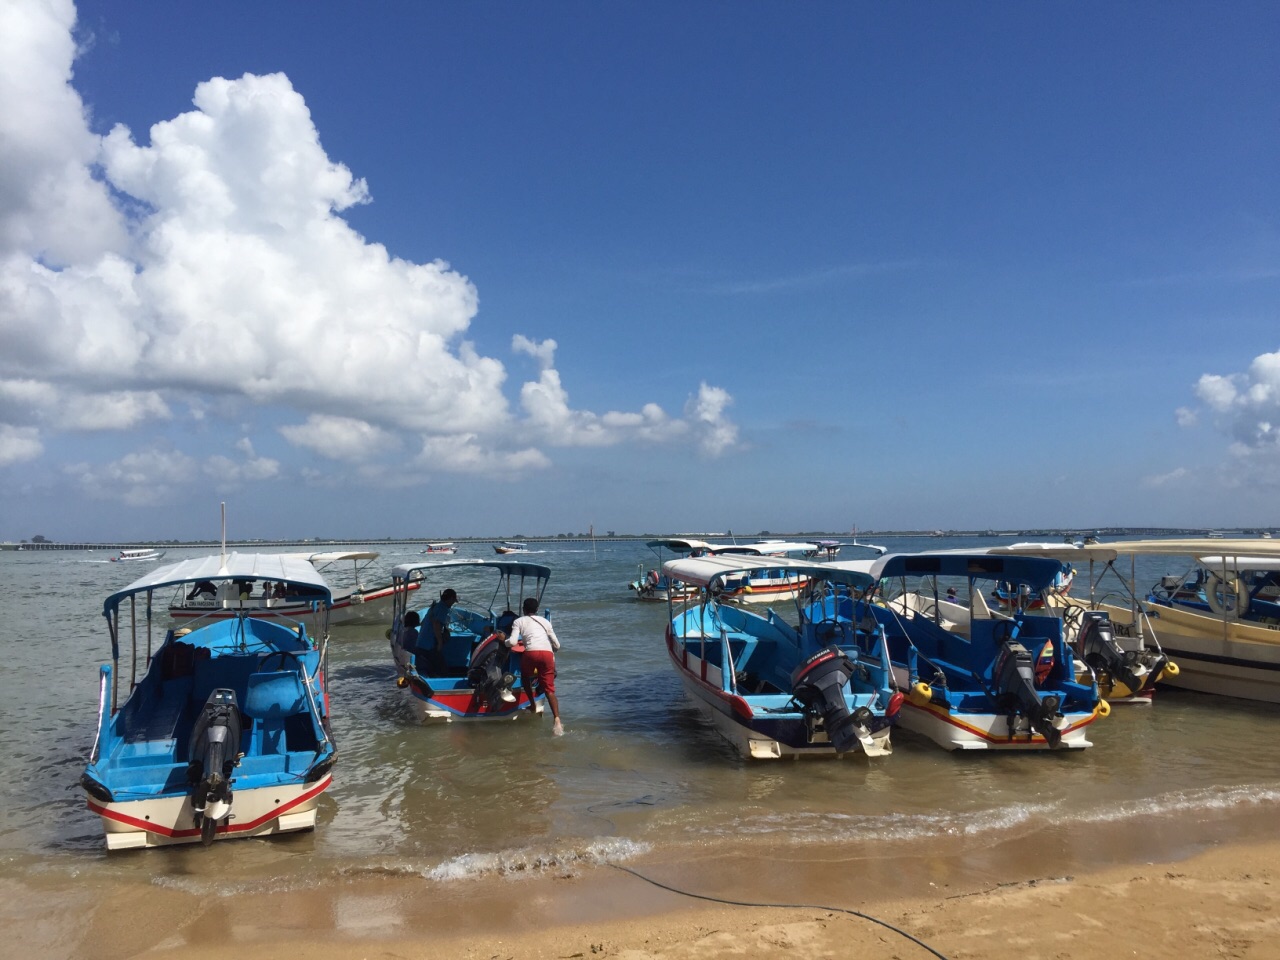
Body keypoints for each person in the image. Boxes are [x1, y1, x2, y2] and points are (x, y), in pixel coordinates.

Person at [505, 596, 564, 736]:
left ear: (523, 609)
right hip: (547, 655)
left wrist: (504, 640)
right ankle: (557, 721)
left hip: (531, 653)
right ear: (537, 609)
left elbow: (513, 642)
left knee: (525, 676)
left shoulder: (518, 621)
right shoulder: (545, 622)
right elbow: (557, 645)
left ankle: (532, 705)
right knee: (550, 690)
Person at [420, 588, 457, 676]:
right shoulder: (443, 608)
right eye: (453, 601)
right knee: (443, 669)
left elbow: (423, 623)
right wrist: (440, 642)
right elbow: (436, 624)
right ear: (451, 599)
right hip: (429, 645)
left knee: (433, 667)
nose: (453, 604)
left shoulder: (434, 606)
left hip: (421, 643)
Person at [392, 611, 420, 679]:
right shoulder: (414, 632)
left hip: (403, 656)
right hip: (410, 658)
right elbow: (416, 647)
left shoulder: (403, 631)